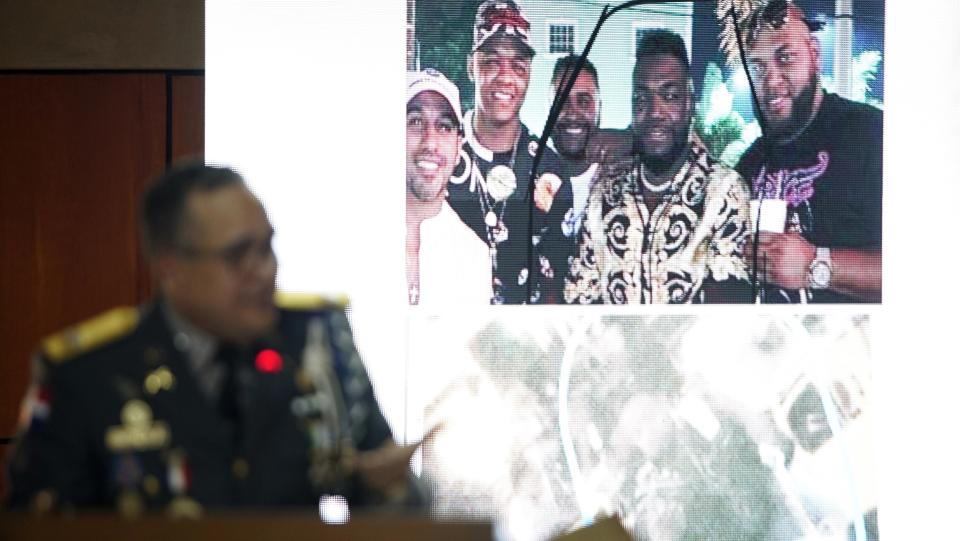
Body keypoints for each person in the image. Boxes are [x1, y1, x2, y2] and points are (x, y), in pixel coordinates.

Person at [6, 164, 422, 513]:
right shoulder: (87, 373)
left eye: (267, 248)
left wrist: (389, 488)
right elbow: (37, 525)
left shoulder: (314, 338)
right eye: (239, 255)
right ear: (170, 265)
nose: (263, 271)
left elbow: (389, 488)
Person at [565, 29, 752, 304]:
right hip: (610, 346)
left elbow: (726, 319)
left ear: (690, 104)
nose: (654, 112)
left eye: (670, 96)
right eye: (642, 99)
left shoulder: (722, 192)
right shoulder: (605, 194)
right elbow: (579, 301)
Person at [733, 0, 882, 303]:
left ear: (814, 55)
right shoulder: (748, 164)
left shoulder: (871, 133)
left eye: (785, 57)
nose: (771, 81)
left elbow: (925, 268)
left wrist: (815, 265)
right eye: (757, 67)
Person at [446, 0, 574, 304]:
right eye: (491, 62)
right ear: (470, 66)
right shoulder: (442, 158)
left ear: (529, 76)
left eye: (518, 66)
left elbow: (556, 288)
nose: (505, 77)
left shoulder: (549, 171)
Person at [406, 69, 492, 305]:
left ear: (458, 149)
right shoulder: (353, 235)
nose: (430, 142)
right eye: (415, 121)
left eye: (444, 126)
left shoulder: (473, 254)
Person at [550, 54, 602, 238]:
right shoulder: (527, 176)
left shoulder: (620, 180)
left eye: (584, 101)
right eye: (561, 101)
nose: (572, 112)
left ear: (599, 107)